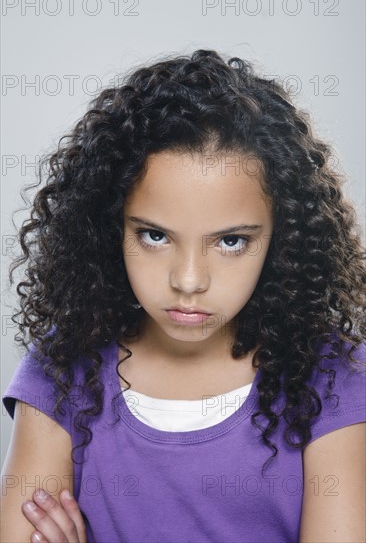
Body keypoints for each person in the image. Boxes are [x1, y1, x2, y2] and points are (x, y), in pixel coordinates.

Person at [1, 49, 365, 543]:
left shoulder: (333, 379)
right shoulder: (64, 366)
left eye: (231, 241)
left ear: (283, 239)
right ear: (109, 227)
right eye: (155, 236)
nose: (189, 280)